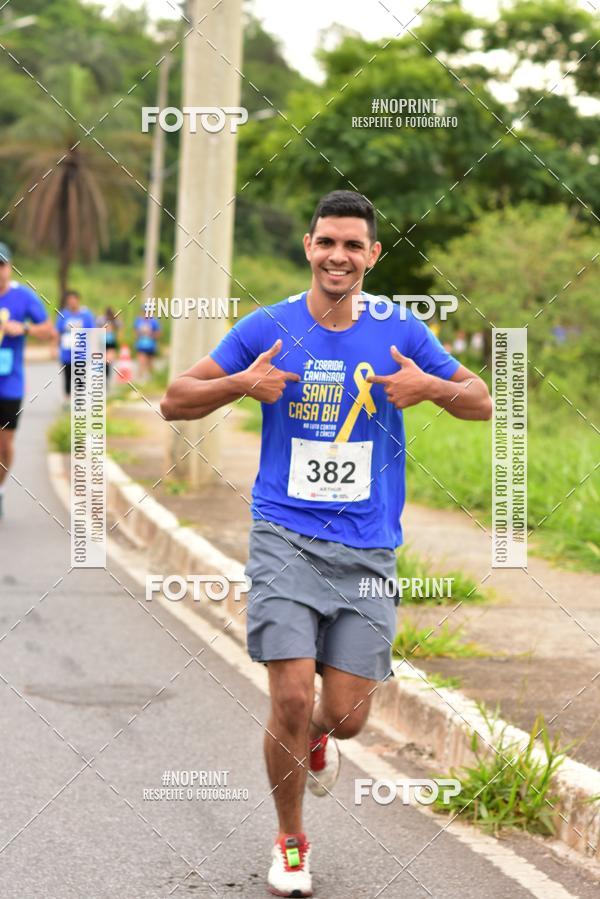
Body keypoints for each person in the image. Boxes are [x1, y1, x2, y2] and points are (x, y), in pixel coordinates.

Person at [160, 190, 492, 897]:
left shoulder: (400, 329)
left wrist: (429, 385)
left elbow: (485, 399)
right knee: (286, 694)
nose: (338, 256)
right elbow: (174, 397)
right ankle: (289, 840)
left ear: (372, 255)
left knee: (346, 716)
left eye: (353, 245)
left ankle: (315, 738)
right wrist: (244, 383)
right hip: (284, 534)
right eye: (326, 242)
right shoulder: (268, 325)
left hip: (369, 545)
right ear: (308, 247)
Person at [0, 242, 54, 519]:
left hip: (9, 383)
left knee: (4, 445)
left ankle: (0, 489)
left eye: (1, 265)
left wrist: (22, 328)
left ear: (9, 267)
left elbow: (49, 331)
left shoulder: (24, 297)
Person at [54, 290, 96, 403]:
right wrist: (53, 348)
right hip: (66, 352)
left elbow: (92, 332)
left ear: (78, 300)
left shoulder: (86, 315)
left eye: (74, 300)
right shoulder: (63, 315)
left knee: (80, 376)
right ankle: (67, 398)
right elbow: (57, 332)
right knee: (67, 376)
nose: (72, 302)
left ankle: (79, 399)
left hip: (81, 352)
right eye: (69, 300)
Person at [134, 304, 160, 381]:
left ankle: (152, 379)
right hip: (141, 345)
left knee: (150, 363)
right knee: (141, 362)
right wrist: (140, 334)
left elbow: (158, 333)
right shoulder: (138, 320)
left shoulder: (154, 321)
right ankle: (139, 379)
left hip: (151, 345)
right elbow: (135, 332)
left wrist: (151, 334)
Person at [96, 306, 121, 386]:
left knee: (108, 361)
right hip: (102, 341)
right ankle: (102, 377)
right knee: (103, 361)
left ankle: (106, 378)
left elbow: (120, 328)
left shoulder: (115, 320)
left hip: (111, 342)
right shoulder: (101, 320)